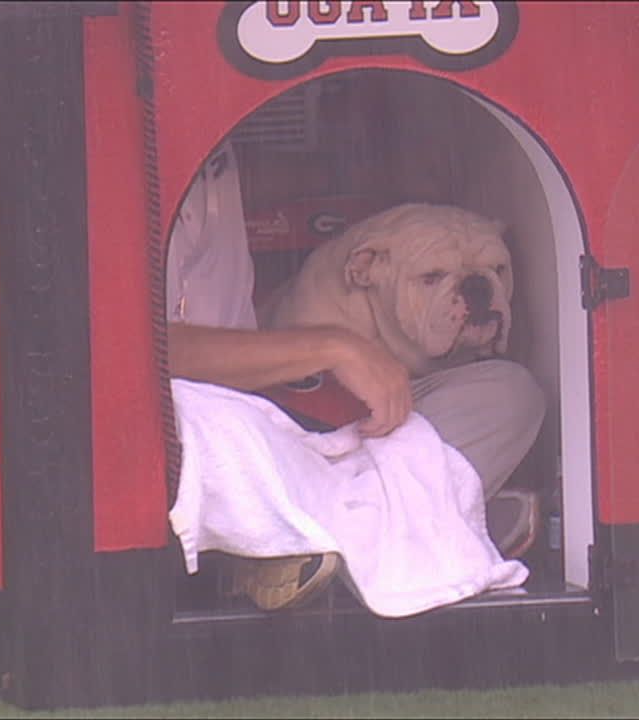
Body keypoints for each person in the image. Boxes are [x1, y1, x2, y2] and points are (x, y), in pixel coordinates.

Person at [166, 140, 545, 610]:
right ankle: (430, 531)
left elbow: (254, 177)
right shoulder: (133, 164)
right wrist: (334, 346)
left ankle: (337, 538)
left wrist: (369, 168)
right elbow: (146, 349)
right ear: (363, 269)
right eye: (431, 278)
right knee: (210, 421)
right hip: (222, 411)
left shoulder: (215, 157)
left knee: (511, 395)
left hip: (316, 439)